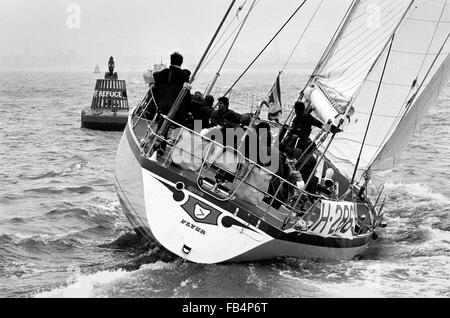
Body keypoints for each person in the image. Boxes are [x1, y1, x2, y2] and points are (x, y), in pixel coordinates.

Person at [152, 52, 192, 126]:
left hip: (163, 105)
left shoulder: (163, 73)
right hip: (178, 108)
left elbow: (156, 86)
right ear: (181, 62)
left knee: (161, 125)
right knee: (177, 127)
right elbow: (187, 95)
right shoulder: (183, 75)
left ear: (171, 61)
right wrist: (189, 110)